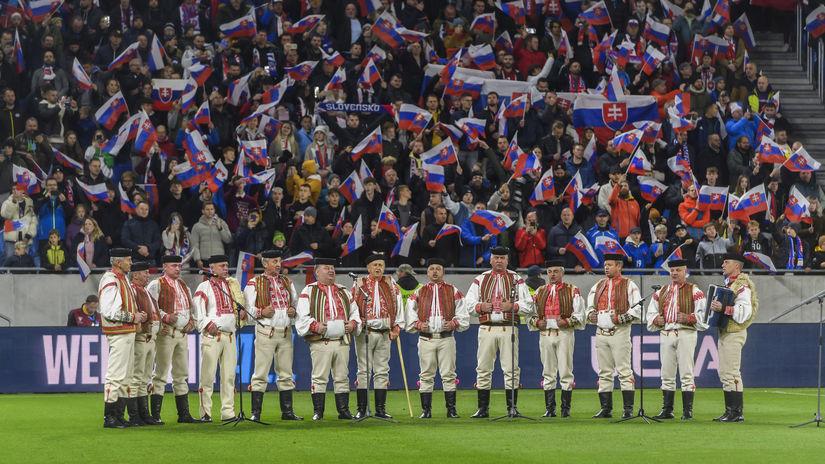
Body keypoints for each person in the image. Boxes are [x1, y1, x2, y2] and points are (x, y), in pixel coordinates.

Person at [464, 246, 536, 418]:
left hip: (508, 328)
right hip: (486, 328)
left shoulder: (516, 279)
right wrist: (480, 306)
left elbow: (529, 305)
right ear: (490, 259)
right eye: (496, 257)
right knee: (483, 368)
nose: (499, 261)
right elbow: (467, 304)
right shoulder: (480, 279)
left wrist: (513, 306)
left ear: (507, 260)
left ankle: (512, 407)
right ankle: (483, 408)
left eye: (502, 258)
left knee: (511, 368)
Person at [295, 257, 361, 420]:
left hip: (341, 341)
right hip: (320, 342)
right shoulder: (308, 291)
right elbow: (302, 316)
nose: (331, 271)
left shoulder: (344, 290)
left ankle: (343, 410)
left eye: (332, 268)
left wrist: (352, 324)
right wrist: (315, 326)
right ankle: (318, 411)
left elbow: (355, 312)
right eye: (326, 268)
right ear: (317, 272)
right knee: (319, 376)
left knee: (342, 376)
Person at [404, 258, 469, 418]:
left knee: (449, 374)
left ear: (443, 272)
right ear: (427, 272)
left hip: (446, 338)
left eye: (438, 269)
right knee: (426, 374)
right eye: (431, 268)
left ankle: (451, 410)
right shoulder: (419, 292)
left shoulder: (453, 291)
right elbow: (409, 314)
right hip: (426, 339)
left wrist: (454, 323)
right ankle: (426, 410)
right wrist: (418, 325)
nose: (434, 271)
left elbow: (463, 313)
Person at [244, 250, 302, 422]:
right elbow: (247, 310)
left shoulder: (287, 282)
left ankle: (287, 411)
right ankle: (256, 412)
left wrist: (294, 311)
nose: (278, 264)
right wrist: (261, 312)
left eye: (279, 261)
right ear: (265, 264)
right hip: (265, 331)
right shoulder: (254, 283)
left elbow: (297, 305)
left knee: (286, 373)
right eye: (275, 261)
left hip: (285, 331)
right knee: (260, 373)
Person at [646, 259, 708, 420]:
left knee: (687, 372)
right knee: (666, 373)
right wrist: (655, 320)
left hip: (685, 333)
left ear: (685, 271)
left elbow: (704, 314)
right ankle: (667, 409)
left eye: (678, 270)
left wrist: (690, 317)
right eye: (672, 270)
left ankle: (687, 411)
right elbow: (651, 312)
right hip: (666, 333)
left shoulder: (694, 290)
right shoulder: (662, 291)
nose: (674, 273)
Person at [146, 255, 202, 424]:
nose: (177, 269)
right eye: (173, 266)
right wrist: (164, 316)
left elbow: (190, 308)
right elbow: (150, 306)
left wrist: (192, 321)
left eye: (178, 265)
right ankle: (155, 415)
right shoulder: (156, 284)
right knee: (161, 374)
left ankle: (183, 414)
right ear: (164, 267)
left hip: (182, 334)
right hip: (166, 333)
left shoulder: (183, 285)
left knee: (181, 374)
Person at [527, 260, 585, 418]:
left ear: (562, 272)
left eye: (556, 271)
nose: (552, 274)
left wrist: (567, 322)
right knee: (548, 371)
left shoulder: (572, 290)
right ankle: (550, 409)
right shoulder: (540, 291)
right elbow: (530, 314)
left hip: (564, 333)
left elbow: (580, 314)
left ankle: (565, 409)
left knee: (566, 370)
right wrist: (537, 322)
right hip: (545, 333)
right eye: (550, 271)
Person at [585, 254, 641, 419]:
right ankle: (605, 408)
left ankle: (628, 409)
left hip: (619, 331)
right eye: (605, 265)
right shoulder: (599, 284)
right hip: (601, 332)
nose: (606, 268)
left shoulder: (629, 284)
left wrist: (622, 318)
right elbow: (589, 306)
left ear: (619, 266)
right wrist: (590, 315)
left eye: (610, 265)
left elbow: (637, 307)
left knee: (624, 370)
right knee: (604, 372)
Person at [192, 254, 247, 422]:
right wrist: (207, 324)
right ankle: (205, 413)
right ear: (212, 268)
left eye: (226, 265)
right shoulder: (204, 286)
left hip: (230, 336)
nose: (225, 268)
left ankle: (228, 413)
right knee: (208, 376)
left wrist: (242, 314)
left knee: (229, 377)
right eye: (222, 266)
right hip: (212, 336)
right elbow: (197, 309)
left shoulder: (232, 287)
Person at [350, 253, 403, 419]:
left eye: (381, 265)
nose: (378, 268)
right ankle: (362, 409)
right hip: (365, 332)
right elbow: (352, 306)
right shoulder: (358, 284)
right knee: (363, 370)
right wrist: (358, 321)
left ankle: (380, 409)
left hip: (385, 333)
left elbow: (399, 305)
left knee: (382, 370)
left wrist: (396, 326)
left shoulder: (391, 283)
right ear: (368, 268)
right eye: (375, 265)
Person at [99, 248, 146, 428]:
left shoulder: (121, 279)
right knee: (116, 375)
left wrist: (135, 316)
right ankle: (109, 417)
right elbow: (109, 311)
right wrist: (132, 317)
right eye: (128, 260)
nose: (131, 263)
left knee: (125, 376)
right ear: (118, 262)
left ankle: (118, 415)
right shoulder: (111, 280)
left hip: (126, 332)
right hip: (119, 332)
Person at [710, 253, 757, 422]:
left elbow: (745, 312)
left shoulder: (742, 285)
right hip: (726, 332)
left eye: (726, 262)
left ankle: (736, 412)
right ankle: (730, 411)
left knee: (732, 372)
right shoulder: (730, 284)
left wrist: (723, 308)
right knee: (725, 372)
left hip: (734, 332)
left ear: (737, 266)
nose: (723, 265)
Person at [127, 261, 162, 426]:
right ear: (135, 275)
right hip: (141, 338)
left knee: (145, 377)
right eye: (145, 273)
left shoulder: (145, 291)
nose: (148, 275)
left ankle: (144, 415)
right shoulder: (133, 290)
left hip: (151, 339)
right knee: (136, 377)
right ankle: (134, 416)